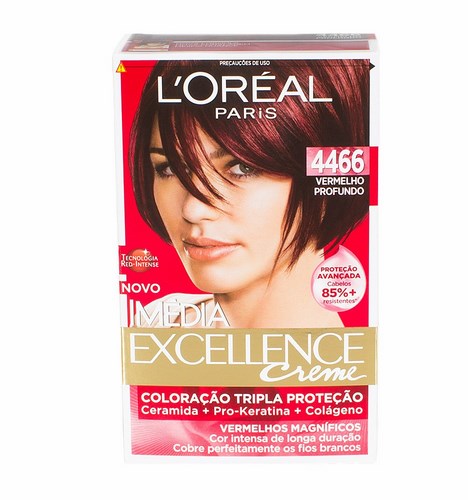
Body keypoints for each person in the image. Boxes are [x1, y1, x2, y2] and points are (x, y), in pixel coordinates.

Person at [129, 58, 370, 328]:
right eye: (170, 168)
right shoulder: (157, 323)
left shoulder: (348, 354)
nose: (192, 210)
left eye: (243, 167)